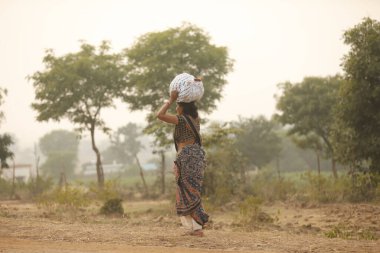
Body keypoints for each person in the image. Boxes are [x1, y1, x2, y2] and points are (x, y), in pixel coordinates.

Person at [156, 89, 209, 237]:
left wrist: (170, 99)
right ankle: (194, 227)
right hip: (196, 156)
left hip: (186, 158)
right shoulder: (195, 119)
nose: (176, 109)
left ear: (183, 108)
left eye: (178, 106)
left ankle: (196, 228)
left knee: (186, 191)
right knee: (192, 191)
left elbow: (159, 115)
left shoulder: (182, 119)